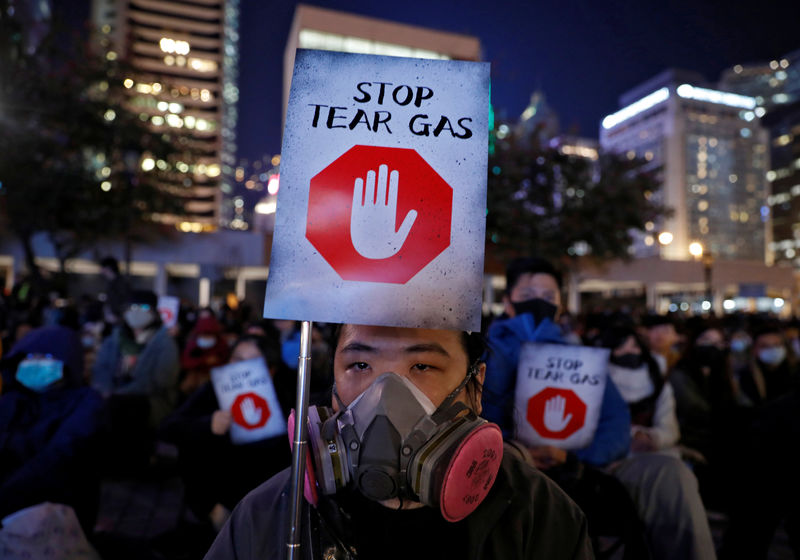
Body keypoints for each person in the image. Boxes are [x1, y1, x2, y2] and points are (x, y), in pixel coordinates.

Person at [204, 324, 592, 559]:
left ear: (476, 385)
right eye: (360, 365)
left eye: (421, 366)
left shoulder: (538, 514)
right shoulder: (269, 516)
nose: (384, 395)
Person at [482, 257, 647, 559]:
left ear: (560, 305)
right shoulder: (485, 352)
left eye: (548, 297)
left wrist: (573, 457)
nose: (538, 304)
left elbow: (615, 420)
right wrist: (518, 453)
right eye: (528, 295)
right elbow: (480, 410)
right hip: (505, 474)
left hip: (571, 474)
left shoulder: (580, 357)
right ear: (508, 302)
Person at [159, 333, 294, 528]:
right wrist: (208, 425)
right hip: (218, 500)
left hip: (267, 502)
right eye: (237, 359)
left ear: (270, 370)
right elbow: (168, 427)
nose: (240, 368)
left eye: (252, 362)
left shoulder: (286, 397)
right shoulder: (214, 389)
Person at [0, 325, 107, 532]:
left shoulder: (87, 403)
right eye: (29, 357)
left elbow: (60, 457)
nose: (35, 363)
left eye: (46, 356)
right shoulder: (12, 401)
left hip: (57, 513)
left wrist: (6, 497)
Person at [92, 290, 180, 473]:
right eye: (132, 307)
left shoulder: (164, 342)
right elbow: (100, 370)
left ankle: (131, 464)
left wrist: (117, 394)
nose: (136, 312)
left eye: (143, 307)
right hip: (112, 395)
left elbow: (160, 382)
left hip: (152, 400)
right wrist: (106, 390)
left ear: (155, 312)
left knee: (120, 406)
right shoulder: (115, 339)